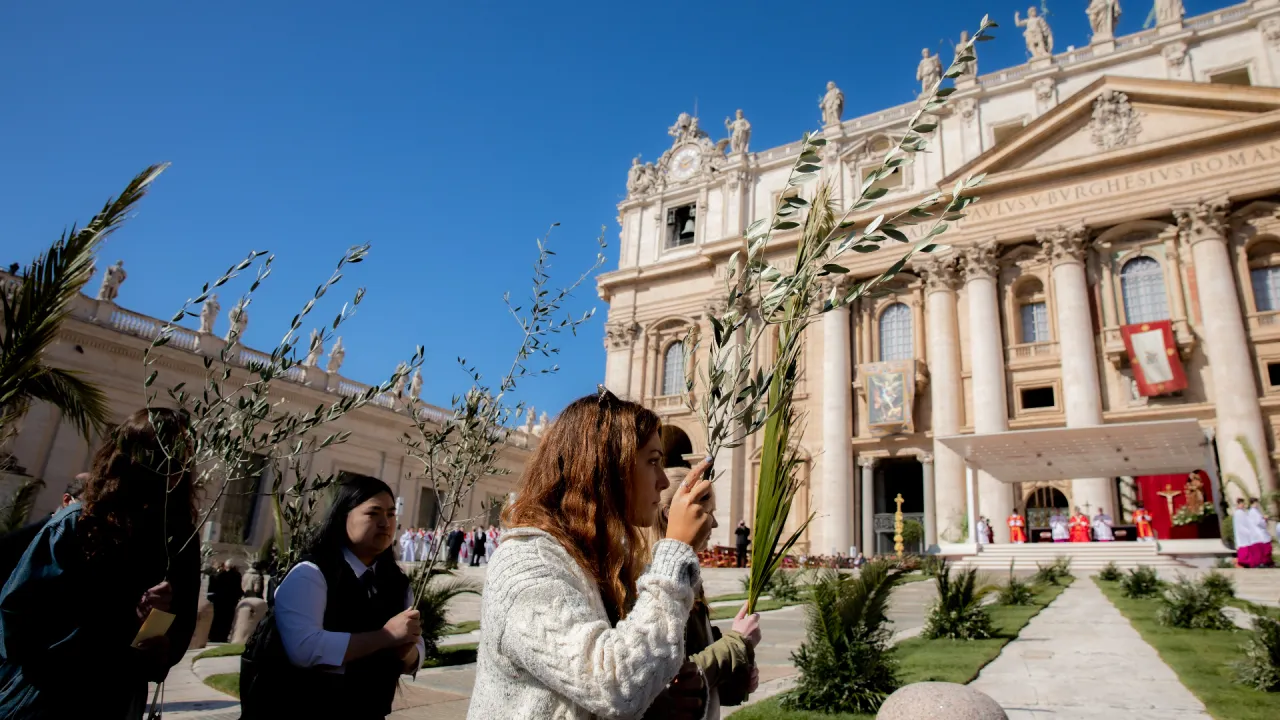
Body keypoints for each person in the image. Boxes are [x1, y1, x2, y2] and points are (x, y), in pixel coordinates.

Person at [467, 389, 715, 719]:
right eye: (653, 461)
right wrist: (676, 550)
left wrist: (657, 702)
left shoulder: (602, 559)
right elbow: (613, 685)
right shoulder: (525, 562)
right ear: (607, 467)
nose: (662, 481)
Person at [0, 408, 201, 719]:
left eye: (177, 463)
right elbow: (17, 616)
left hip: (117, 698)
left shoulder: (178, 540)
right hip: (47, 695)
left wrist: (156, 638)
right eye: (160, 460)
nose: (170, 473)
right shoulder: (77, 523)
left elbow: (175, 632)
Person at [239, 475, 425, 720]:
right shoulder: (311, 574)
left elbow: (415, 648)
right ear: (343, 517)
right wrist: (385, 636)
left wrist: (406, 651)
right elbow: (305, 648)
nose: (385, 523)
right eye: (373, 513)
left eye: (391, 514)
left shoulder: (396, 582)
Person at [648, 468, 759, 719]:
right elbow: (675, 682)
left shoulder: (690, 580)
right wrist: (737, 643)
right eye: (708, 512)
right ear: (670, 514)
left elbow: (706, 680)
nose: (715, 523)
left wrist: (740, 672)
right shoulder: (654, 584)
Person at [208, 560, 244, 643]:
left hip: (219, 600)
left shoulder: (218, 575)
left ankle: (214, 636)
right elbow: (238, 589)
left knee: (217, 619)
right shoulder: (236, 576)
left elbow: (212, 588)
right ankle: (223, 636)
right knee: (227, 620)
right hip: (230, 601)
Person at [1248, 498, 1272, 568]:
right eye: (1257, 503)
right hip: (1258, 532)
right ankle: (1262, 563)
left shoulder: (1254, 511)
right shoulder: (1253, 511)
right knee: (1262, 549)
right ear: (1254, 503)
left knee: (1262, 549)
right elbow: (1258, 522)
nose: (1257, 504)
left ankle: (1264, 562)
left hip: (1258, 532)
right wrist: (1265, 519)